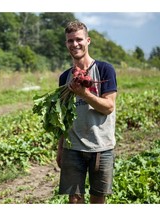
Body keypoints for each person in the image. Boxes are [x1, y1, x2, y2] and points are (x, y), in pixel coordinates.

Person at [56, 21, 117, 204]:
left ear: (88, 40)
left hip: (101, 146)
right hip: (72, 148)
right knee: (74, 201)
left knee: (98, 200)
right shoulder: (64, 77)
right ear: (66, 44)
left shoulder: (105, 69)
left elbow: (108, 107)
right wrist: (60, 148)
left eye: (79, 39)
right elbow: (63, 117)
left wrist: (84, 94)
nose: (75, 44)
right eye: (70, 41)